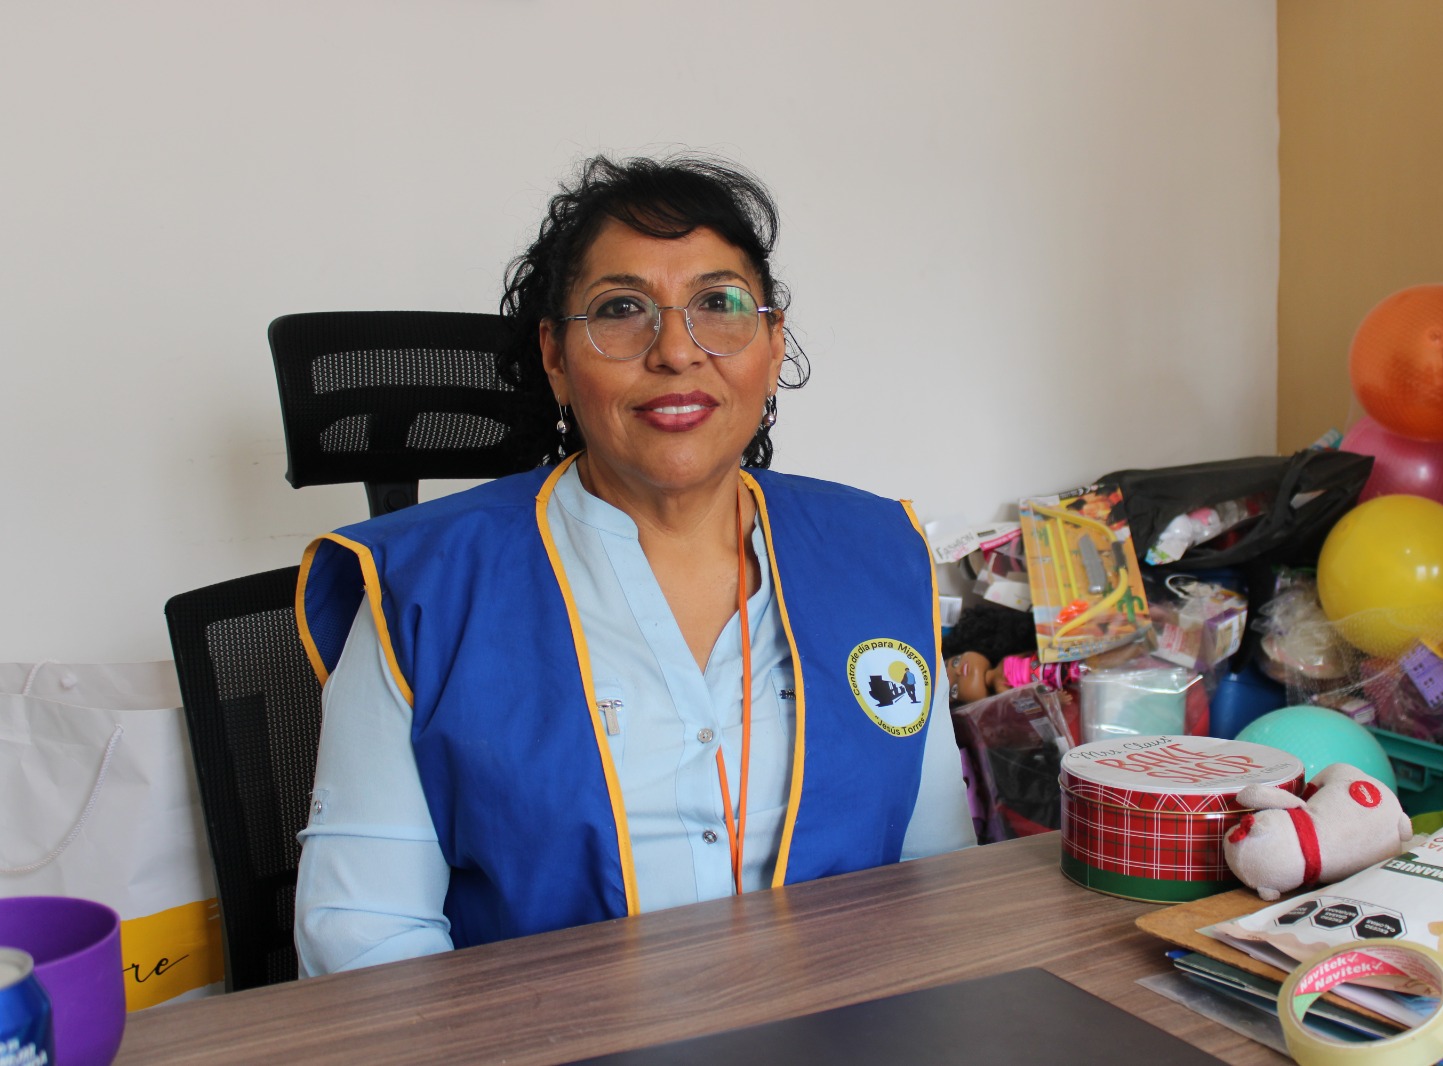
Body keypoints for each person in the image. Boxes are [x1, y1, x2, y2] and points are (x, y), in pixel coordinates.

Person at [292, 154, 976, 976]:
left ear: (772, 344)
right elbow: (366, 941)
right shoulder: (423, 590)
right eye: (622, 309)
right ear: (555, 356)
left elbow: (938, 880)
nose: (677, 351)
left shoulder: (878, 553)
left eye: (719, 304)